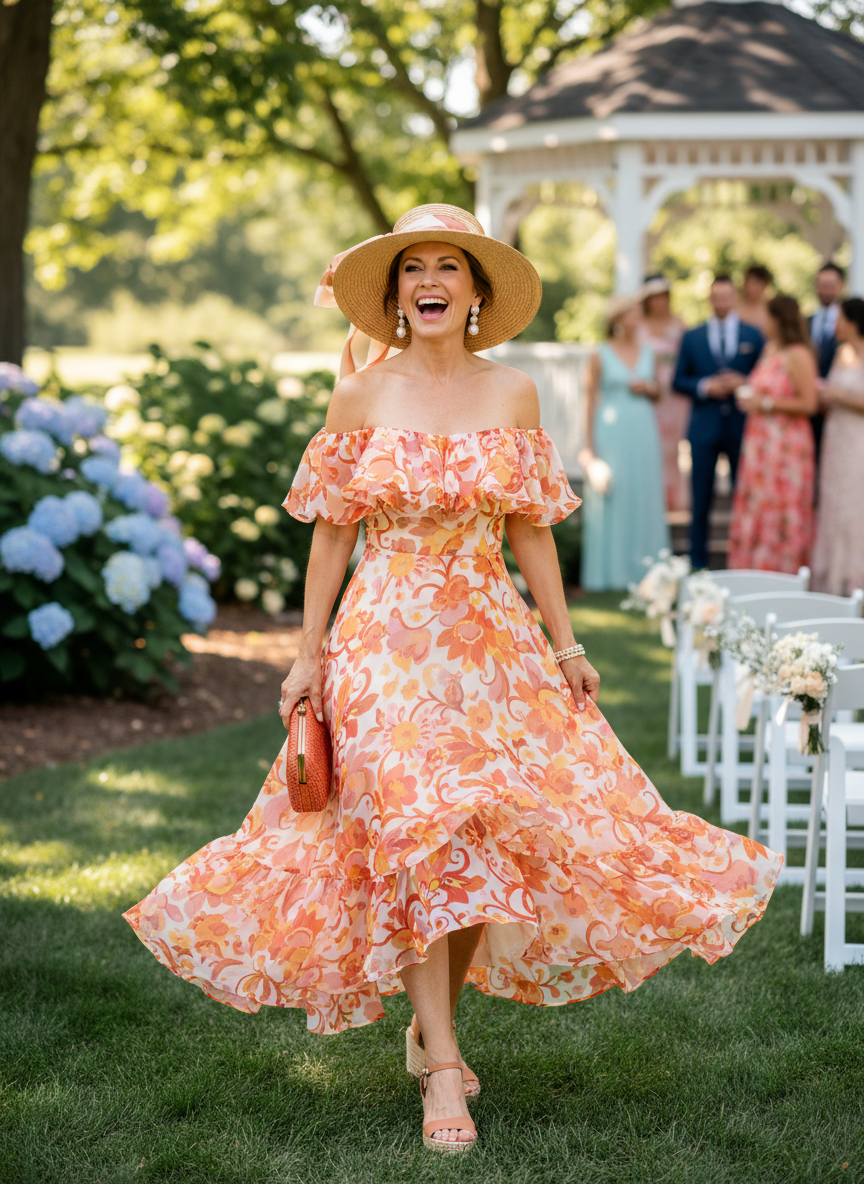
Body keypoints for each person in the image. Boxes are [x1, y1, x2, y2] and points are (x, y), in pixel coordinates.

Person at [123, 205, 781, 1156]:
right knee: (420, 832)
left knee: (475, 831)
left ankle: (431, 1027)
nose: (429, 281)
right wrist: (307, 655)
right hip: (383, 640)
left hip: (489, 641)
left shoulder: (514, 393)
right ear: (396, 293)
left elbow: (530, 530)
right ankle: (442, 1067)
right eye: (413, 268)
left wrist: (567, 647)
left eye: (448, 267)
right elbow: (332, 537)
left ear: (475, 291)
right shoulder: (360, 396)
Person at [672, 275, 764, 570]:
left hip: (742, 427)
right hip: (703, 428)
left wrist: (743, 382)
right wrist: (705, 386)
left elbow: (764, 377)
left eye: (727, 296)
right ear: (710, 300)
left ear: (734, 297)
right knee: (700, 499)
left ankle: (742, 561)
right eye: (717, 297)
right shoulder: (692, 336)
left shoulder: (754, 334)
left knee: (744, 497)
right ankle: (697, 562)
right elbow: (678, 380)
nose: (722, 302)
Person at [580, 293, 670, 590]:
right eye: (632, 313)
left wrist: (649, 388)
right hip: (612, 435)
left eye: (639, 313)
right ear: (618, 318)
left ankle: (647, 571)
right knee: (613, 497)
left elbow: (659, 393)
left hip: (644, 432)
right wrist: (589, 449)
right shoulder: (599, 354)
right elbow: (589, 402)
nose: (637, 317)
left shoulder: (650, 353)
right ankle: (609, 574)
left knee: (644, 496)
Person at [727, 295, 817, 573]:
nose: (761, 322)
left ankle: (783, 573)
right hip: (760, 445)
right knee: (758, 506)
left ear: (778, 319)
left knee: (782, 508)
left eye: (766, 317)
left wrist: (765, 403)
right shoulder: (770, 349)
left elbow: (809, 403)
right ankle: (753, 570)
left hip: (786, 446)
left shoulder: (798, 354)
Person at [811, 297, 864, 594]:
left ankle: (856, 579)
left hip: (858, 441)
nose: (835, 324)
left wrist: (838, 395)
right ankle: (834, 579)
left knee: (856, 506)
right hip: (836, 440)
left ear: (853, 322)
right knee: (833, 505)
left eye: (840, 318)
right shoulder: (841, 353)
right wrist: (824, 395)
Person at [638, 274, 689, 511]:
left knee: (672, 448)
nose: (659, 302)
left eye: (663, 296)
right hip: (646, 396)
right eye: (654, 297)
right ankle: (650, 498)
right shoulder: (638, 326)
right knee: (649, 445)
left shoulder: (680, 324)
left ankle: (674, 499)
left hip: (675, 397)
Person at [809, 262, 846, 460]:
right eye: (822, 285)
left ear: (841, 286)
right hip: (808, 408)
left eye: (831, 285)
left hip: (837, 409)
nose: (826, 291)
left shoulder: (851, 325)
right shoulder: (805, 321)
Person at [737, 264, 774, 335]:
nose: (750, 287)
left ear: (764, 285)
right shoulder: (733, 302)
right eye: (748, 282)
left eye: (755, 283)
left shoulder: (770, 307)